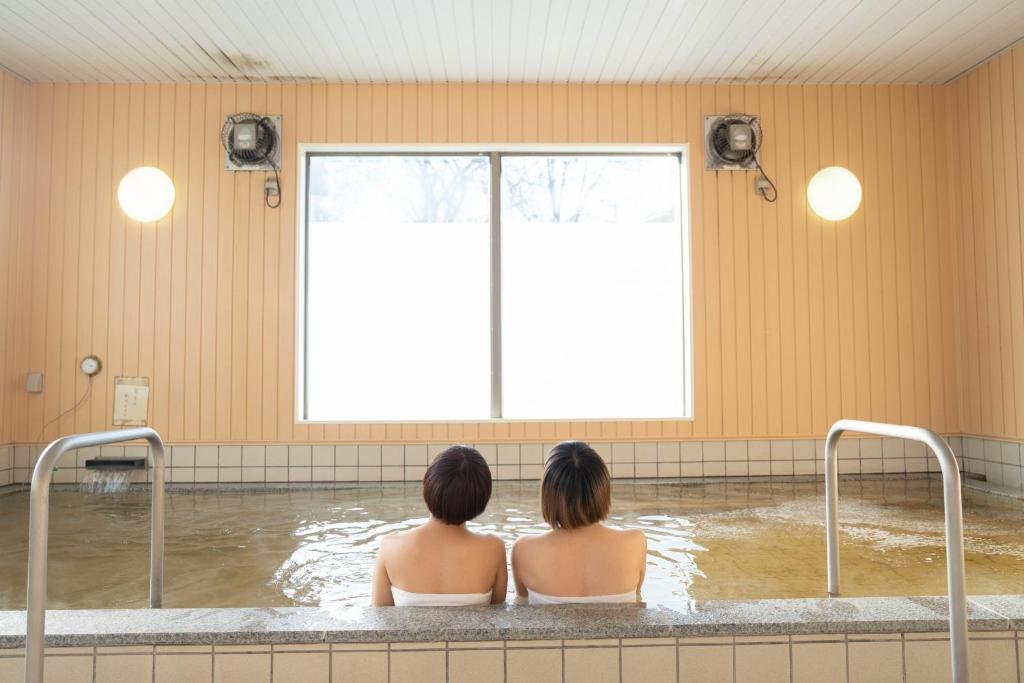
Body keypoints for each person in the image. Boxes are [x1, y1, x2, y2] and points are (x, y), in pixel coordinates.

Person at [511, 440, 646, 604]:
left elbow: (522, 610)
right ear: (601, 489)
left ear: (549, 495)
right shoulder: (634, 543)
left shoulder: (524, 550)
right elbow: (637, 603)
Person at [371, 445, 507, 606]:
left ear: (428, 483)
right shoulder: (493, 549)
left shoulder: (391, 546)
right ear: (483, 498)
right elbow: (497, 614)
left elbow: (378, 620)